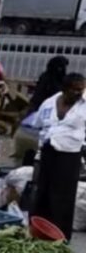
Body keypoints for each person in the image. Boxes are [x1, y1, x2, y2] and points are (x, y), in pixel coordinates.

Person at [29, 73, 86, 241]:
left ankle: (59, 237)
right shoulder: (49, 103)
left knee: (62, 198)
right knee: (43, 193)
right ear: (65, 88)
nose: (78, 93)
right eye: (74, 89)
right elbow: (37, 125)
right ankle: (38, 232)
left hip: (69, 156)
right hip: (48, 152)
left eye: (81, 89)